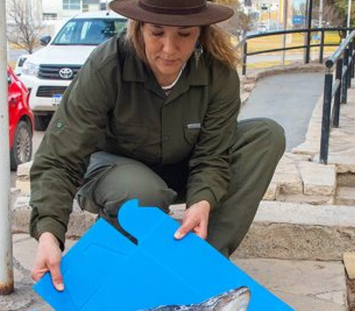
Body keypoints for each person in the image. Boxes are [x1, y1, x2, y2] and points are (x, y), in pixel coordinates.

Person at [28, 0, 285, 290]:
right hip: (113, 171)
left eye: (184, 35)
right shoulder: (107, 65)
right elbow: (61, 155)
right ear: (139, 29)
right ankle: (128, 262)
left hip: (182, 167)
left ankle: (200, 264)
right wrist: (49, 232)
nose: (169, 49)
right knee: (141, 191)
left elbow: (213, 155)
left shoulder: (219, 74)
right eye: (157, 33)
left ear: (200, 32)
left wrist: (203, 200)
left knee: (266, 136)